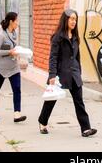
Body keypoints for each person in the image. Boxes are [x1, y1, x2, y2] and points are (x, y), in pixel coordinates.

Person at [38, 9, 97, 137]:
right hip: (60, 74)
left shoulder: (76, 37)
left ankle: (86, 128)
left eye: (75, 19)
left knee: (79, 101)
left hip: (74, 74)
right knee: (51, 99)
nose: (74, 22)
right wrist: (52, 75)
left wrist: (79, 71)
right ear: (65, 20)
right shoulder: (57, 37)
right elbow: (53, 57)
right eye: (71, 19)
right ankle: (42, 121)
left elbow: (77, 56)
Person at [0, 12, 27, 123]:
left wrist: (20, 54)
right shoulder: (2, 35)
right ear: (11, 21)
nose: (18, 23)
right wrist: (9, 52)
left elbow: (15, 48)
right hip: (0, 68)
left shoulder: (15, 33)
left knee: (17, 89)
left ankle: (17, 114)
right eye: (16, 21)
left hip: (14, 67)